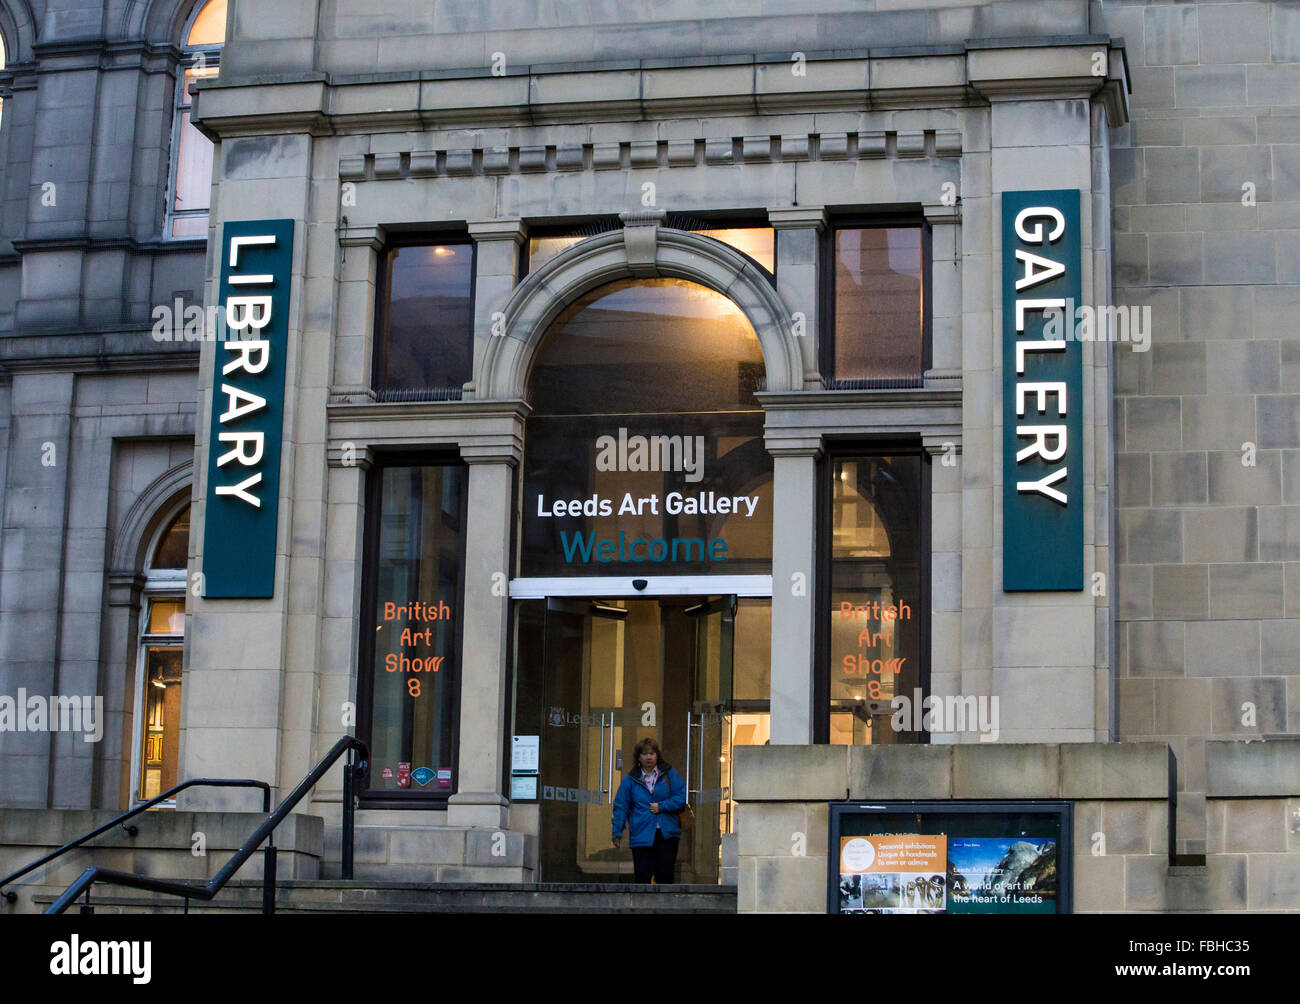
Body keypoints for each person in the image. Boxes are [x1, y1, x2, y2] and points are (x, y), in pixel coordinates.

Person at [610, 737, 686, 884]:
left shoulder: (669, 773)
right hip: (641, 834)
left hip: (667, 833)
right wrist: (617, 832)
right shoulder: (630, 780)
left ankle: (664, 906)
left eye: (652, 753)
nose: (649, 757)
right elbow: (621, 806)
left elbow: (682, 796)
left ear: (657, 755)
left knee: (665, 875)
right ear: (638, 757)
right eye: (645, 754)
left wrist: (662, 806)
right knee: (642, 876)